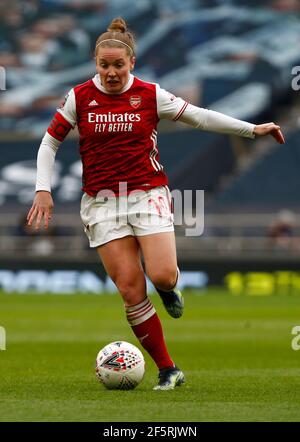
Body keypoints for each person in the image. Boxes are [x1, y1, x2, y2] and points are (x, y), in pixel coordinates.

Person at [27, 17, 285, 390]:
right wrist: (42, 188)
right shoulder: (78, 97)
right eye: (104, 66)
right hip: (101, 203)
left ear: (132, 63)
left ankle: (168, 290)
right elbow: (50, 142)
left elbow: (199, 117)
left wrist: (252, 128)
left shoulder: (150, 94)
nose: (111, 73)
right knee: (131, 290)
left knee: (161, 274)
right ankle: (168, 369)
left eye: (119, 65)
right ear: (95, 64)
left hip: (147, 194)